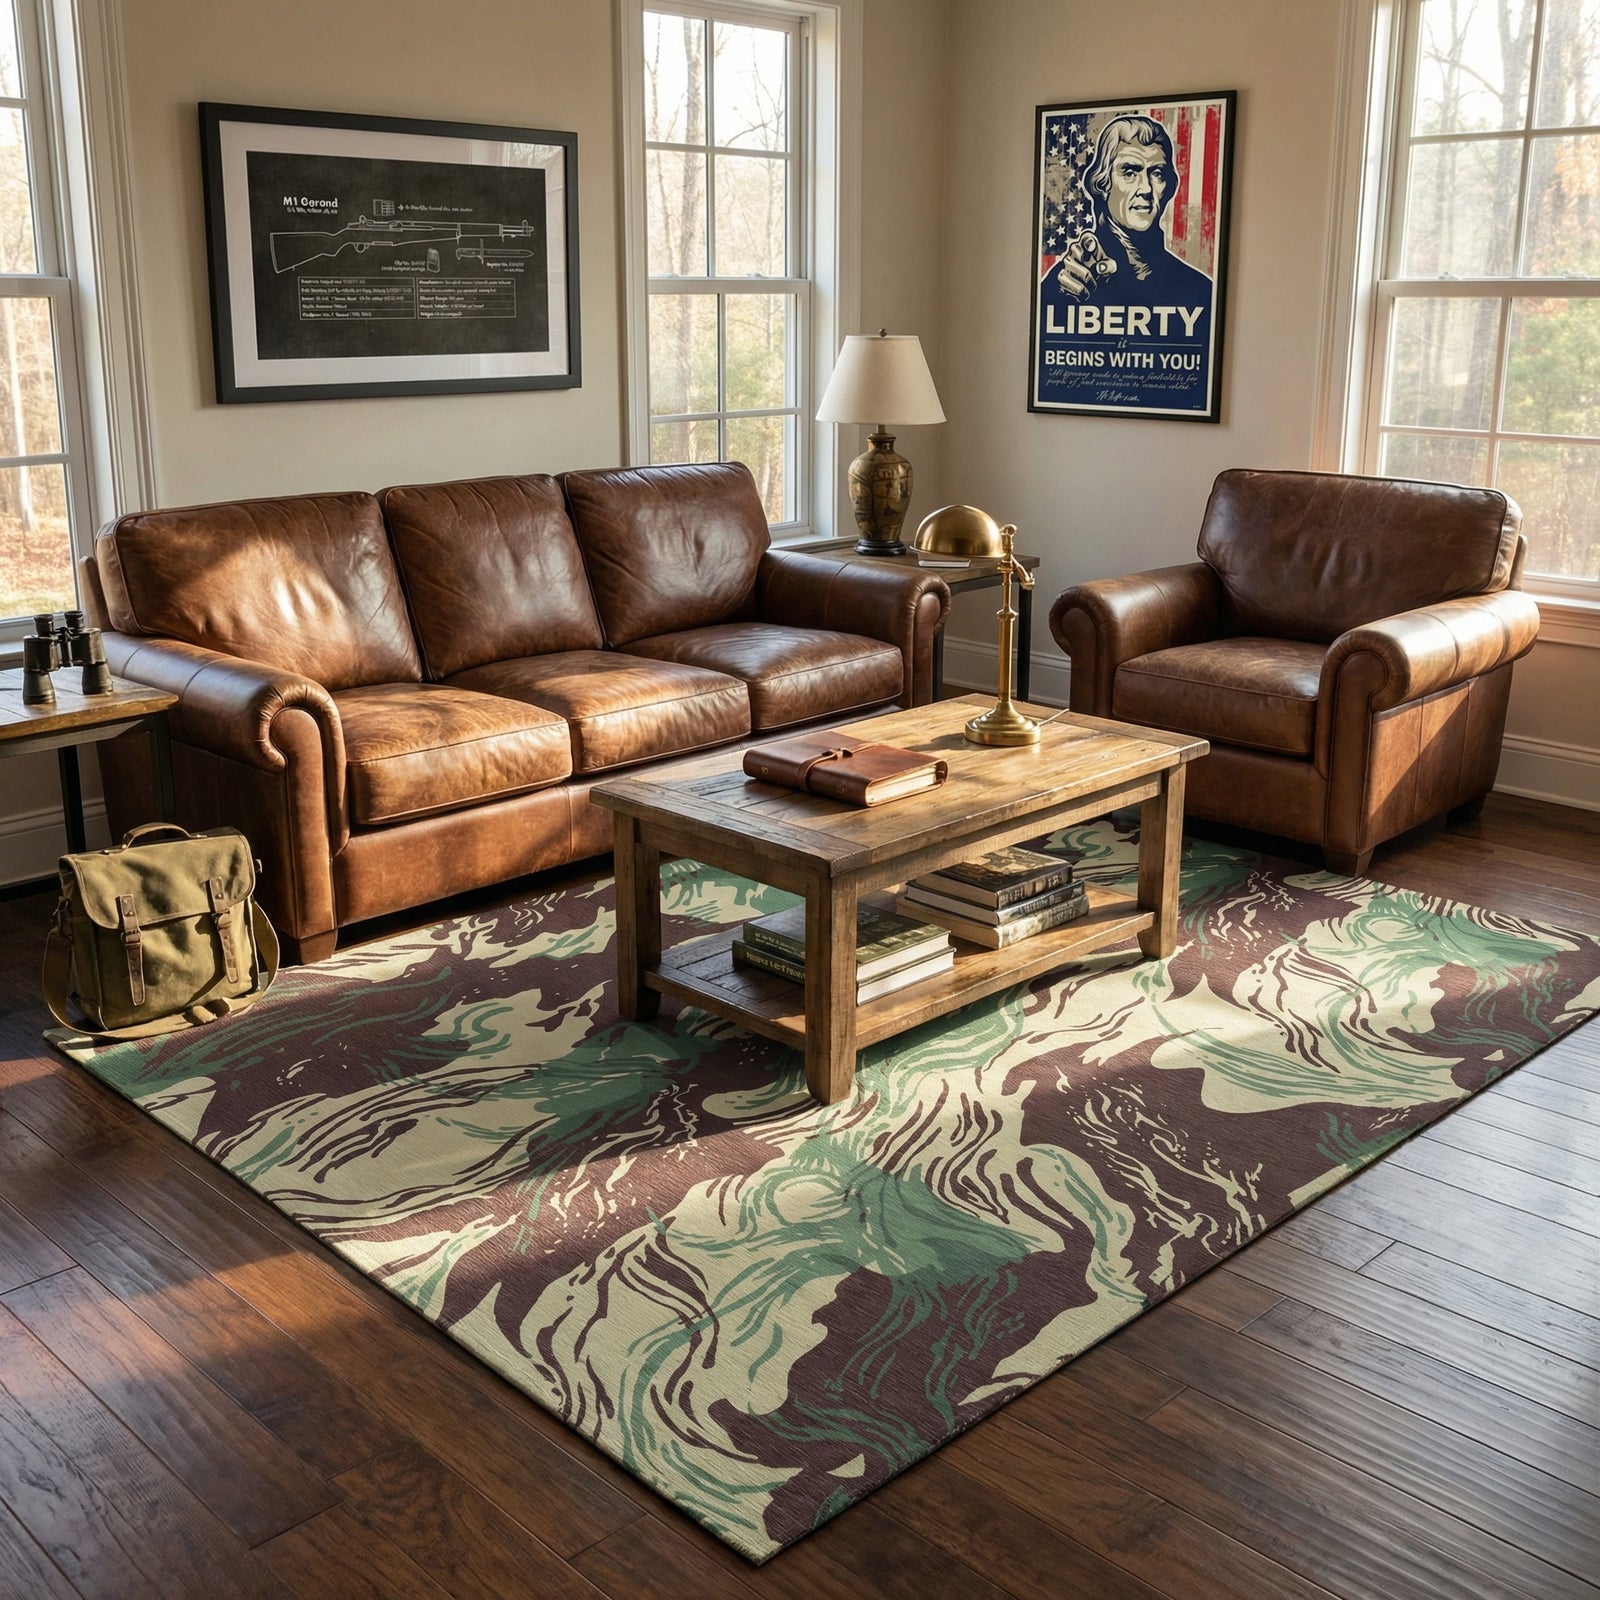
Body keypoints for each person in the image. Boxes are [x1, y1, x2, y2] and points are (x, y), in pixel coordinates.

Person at [1050, 114, 1213, 323]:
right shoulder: (1067, 282)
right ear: (1102, 184)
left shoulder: (1199, 289)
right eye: (1129, 173)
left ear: (1169, 187)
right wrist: (1061, 298)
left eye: (1157, 173)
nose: (1146, 188)